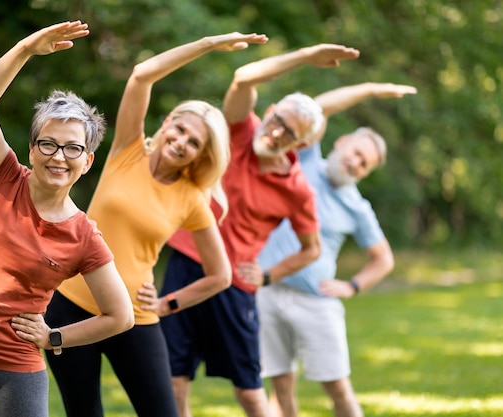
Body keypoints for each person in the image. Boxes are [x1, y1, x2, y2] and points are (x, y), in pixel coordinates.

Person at [43, 32, 269, 417]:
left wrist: (167, 304)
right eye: (180, 130)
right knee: (83, 412)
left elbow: (221, 275)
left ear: (201, 155)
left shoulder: (193, 198)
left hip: (135, 316)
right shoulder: (128, 150)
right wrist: (209, 44)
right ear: (166, 124)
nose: (182, 142)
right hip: (69, 305)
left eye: (194, 142)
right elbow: (142, 75)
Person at [0, 21, 135, 417]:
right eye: (48, 144)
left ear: (87, 161)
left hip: (11, 361)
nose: (58, 156)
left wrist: (54, 337)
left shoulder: (84, 236)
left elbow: (120, 316)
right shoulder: (2, 177)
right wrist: (25, 49)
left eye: (72, 148)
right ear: (32, 149)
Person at [161, 43, 361, 417]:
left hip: (234, 284)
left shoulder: (297, 189)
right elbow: (243, 78)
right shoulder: (240, 132)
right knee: (173, 381)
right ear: (269, 112)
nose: (275, 133)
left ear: (300, 145)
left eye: (288, 134)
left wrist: (268, 276)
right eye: (277, 121)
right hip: (187, 262)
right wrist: (305, 56)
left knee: (251, 394)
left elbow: (311, 248)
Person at [253, 82, 417, 417]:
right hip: (266, 290)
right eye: (356, 153)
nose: (356, 163)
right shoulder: (305, 158)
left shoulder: (357, 207)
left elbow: (383, 258)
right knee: (280, 387)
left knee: (339, 389)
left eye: (365, 164)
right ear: (340, 143)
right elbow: (316, 108)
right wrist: (370, 89)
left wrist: (352, 286)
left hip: (315, 302)